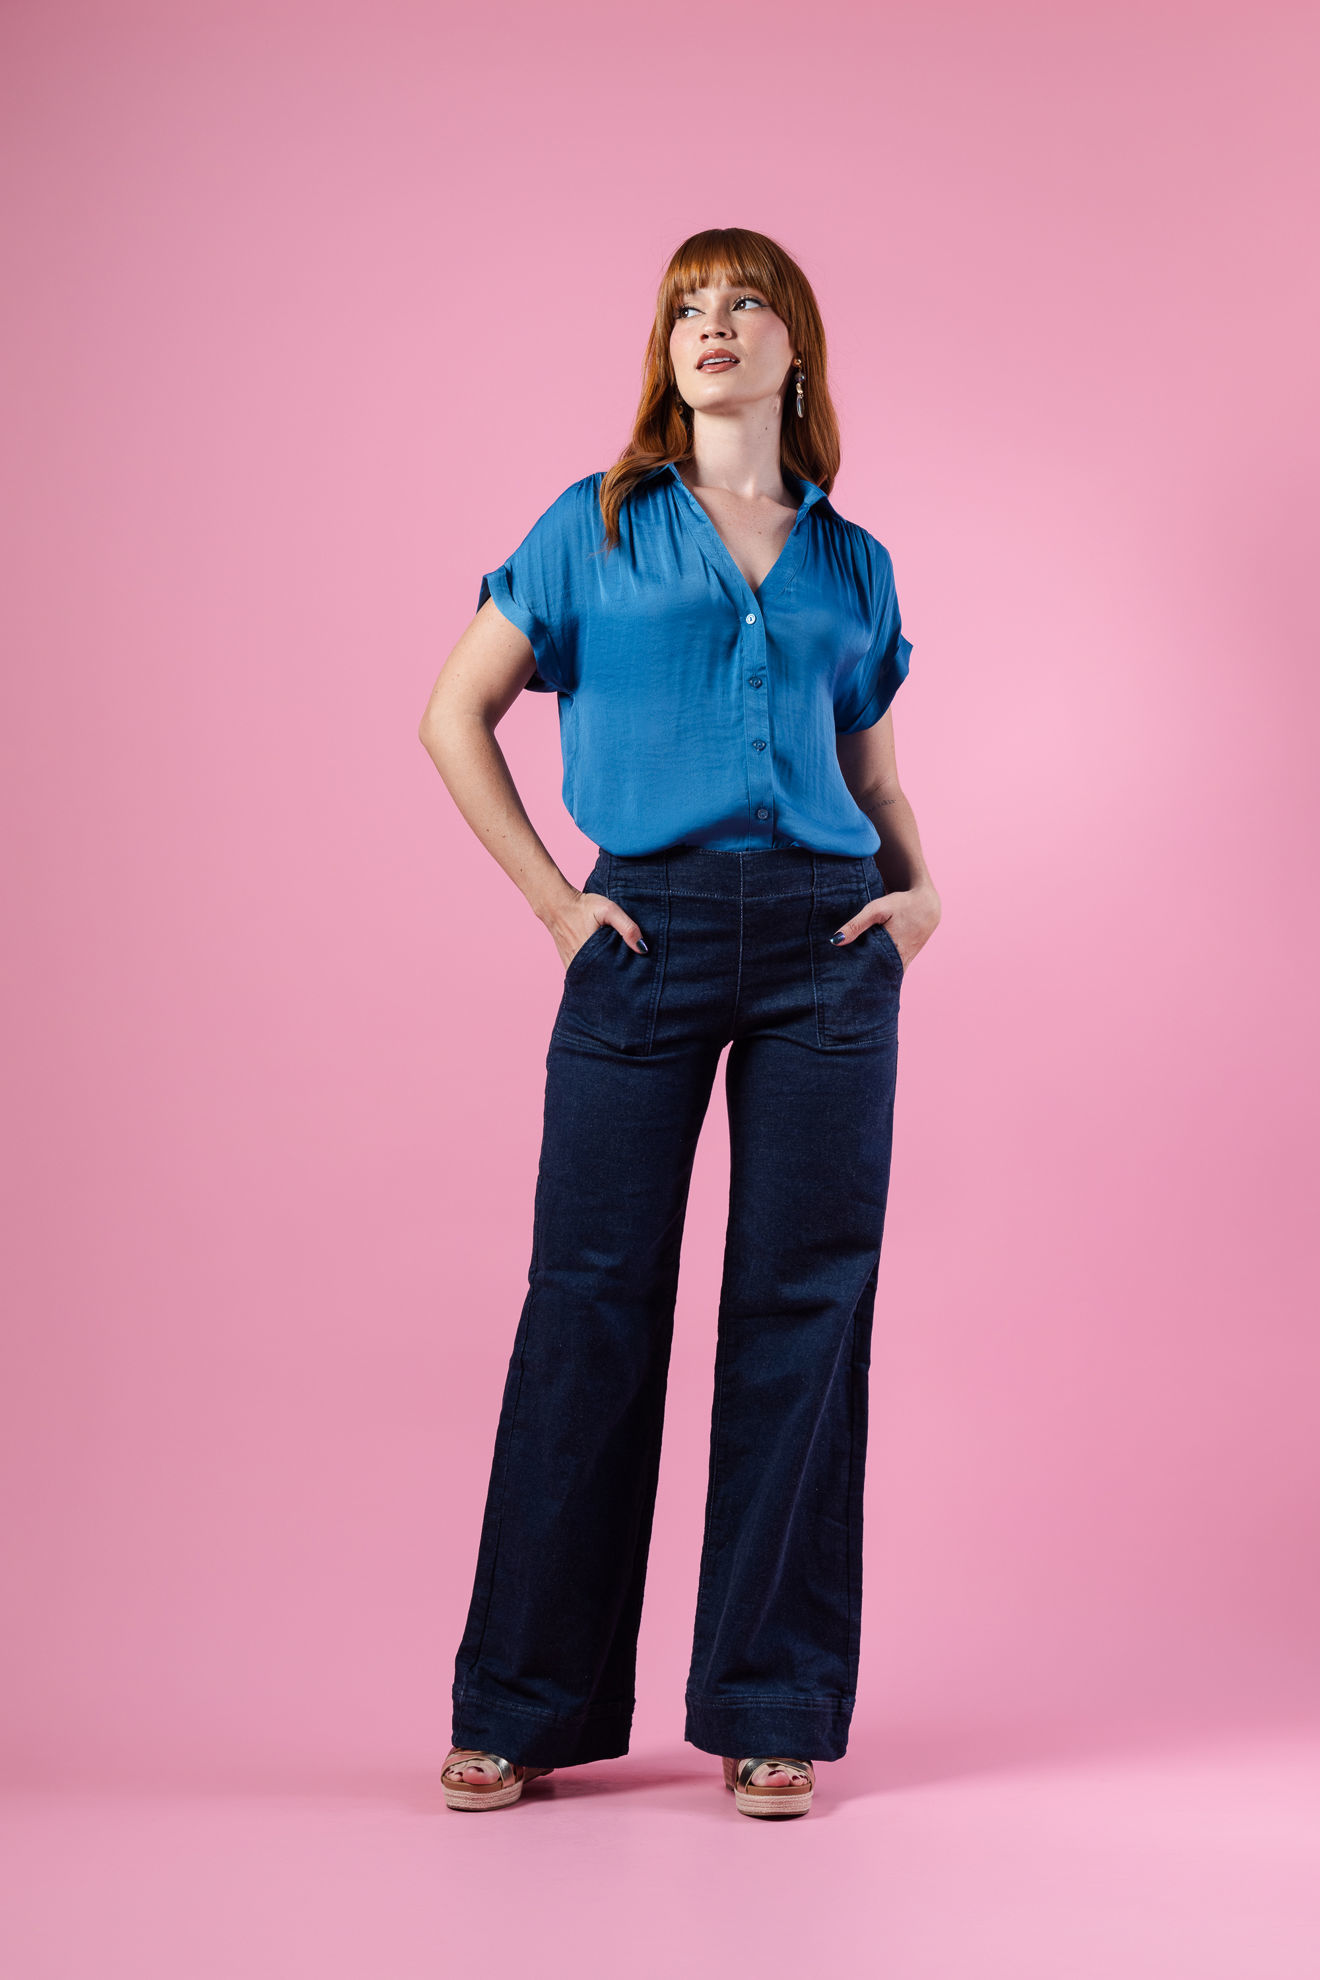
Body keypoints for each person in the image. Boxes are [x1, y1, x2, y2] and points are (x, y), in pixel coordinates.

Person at [417, 226, 941, 1819]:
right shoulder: (591, 526)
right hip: (641, 931)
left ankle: (772, 1704)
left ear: (795, 348)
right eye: (687, 308)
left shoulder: (855, 562)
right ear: (667, 354)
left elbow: (874, 773)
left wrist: (920, 895)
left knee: (804, 1311)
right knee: (589, 1303)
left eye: (744, 303)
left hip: (827, 944)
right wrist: (557, 906)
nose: (713, 325)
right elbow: (453, 714)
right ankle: (525, 1704)